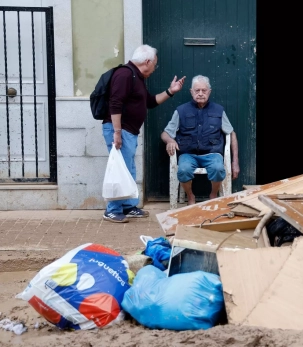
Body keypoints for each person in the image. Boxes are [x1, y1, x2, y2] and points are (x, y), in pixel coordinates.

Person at [102, 44, 186, 223]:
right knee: (120, 170)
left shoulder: (136, 77)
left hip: (128, 131)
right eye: (154, 64)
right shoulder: (125, 74)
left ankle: (127, 206)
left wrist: (171, 91)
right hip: (120, 130)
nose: (155, 68)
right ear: (147, 61)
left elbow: (150, 101)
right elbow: (115, 103)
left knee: (129, 170)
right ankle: (112, 210)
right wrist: (117, 132)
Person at [161, 75, 240, 205]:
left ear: (209, 92)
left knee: (218, 169)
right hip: (188, 154)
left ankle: (213, 194)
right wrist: (170, 140)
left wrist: (235, 161)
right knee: (183, 170)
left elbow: (232, 134)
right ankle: (190, 196)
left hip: (212, 153)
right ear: (191, 92)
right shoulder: (181, 111)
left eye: (204, 90)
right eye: (197, 90)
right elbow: (165, 133)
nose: (201, 94)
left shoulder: (219, 110)